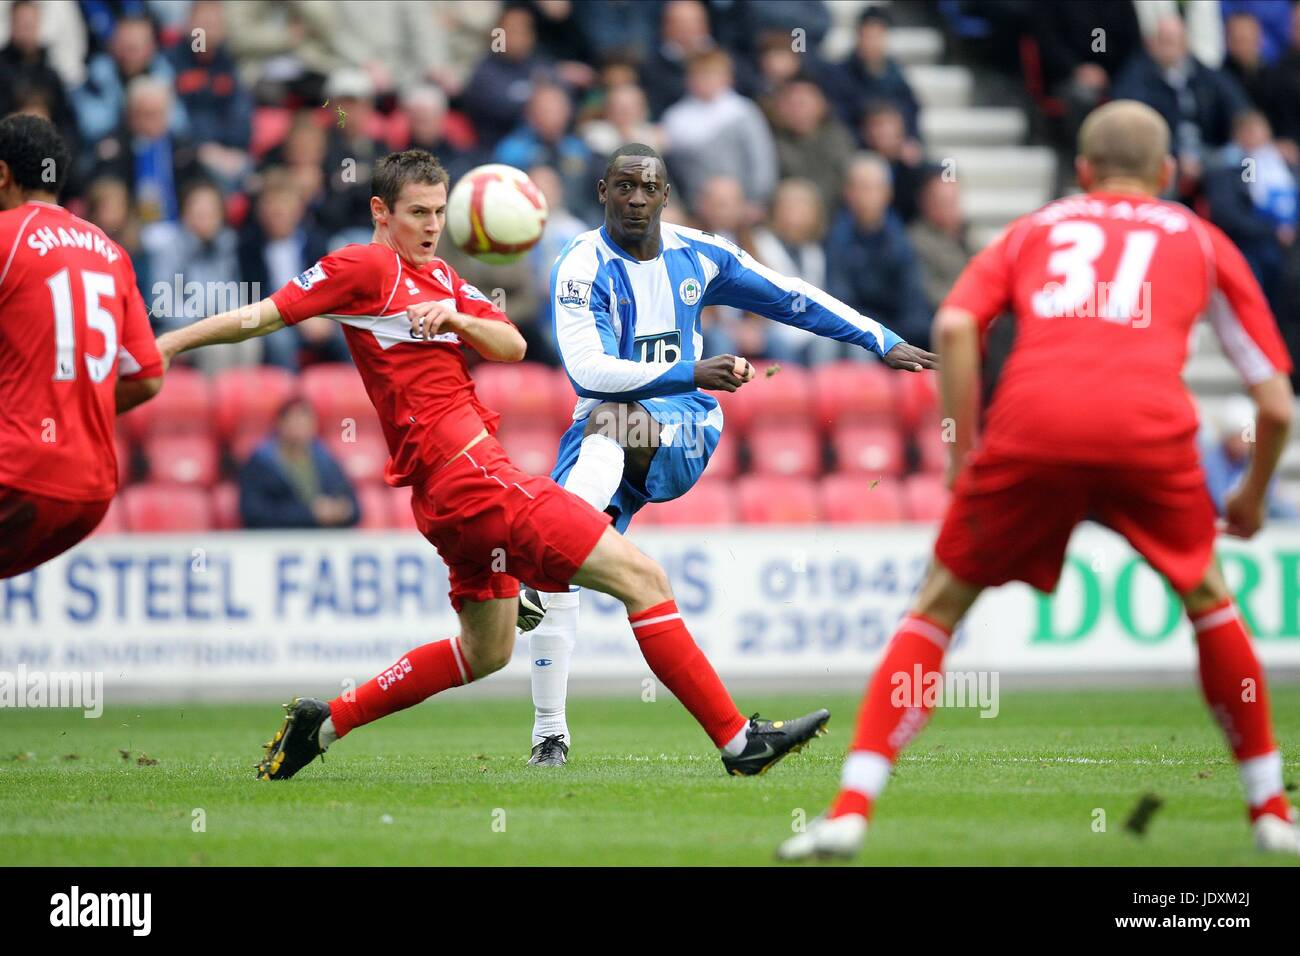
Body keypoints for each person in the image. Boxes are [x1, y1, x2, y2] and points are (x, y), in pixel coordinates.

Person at [154, 149, 832, 781]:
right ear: (381, 215)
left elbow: (509, 343)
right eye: (417, 213)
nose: (431, 225)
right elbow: (264, 316)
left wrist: (454, 318)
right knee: (642, 576)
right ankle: (739, 743)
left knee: (486, 652)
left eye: (440, 211)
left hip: (450, 498)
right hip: (475, 478)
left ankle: (325, 724)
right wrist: (170, 344)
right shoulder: (364, 268)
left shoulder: (443, 278)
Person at [777, 100, 1300, 860]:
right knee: (1210, 601)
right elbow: (1276, 404)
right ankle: (1272, 814)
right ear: (1168, 174)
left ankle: (852, 809)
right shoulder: (1201, 237)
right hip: (1147, 433)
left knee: (938, 605)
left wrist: (963, 454)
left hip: (1033, 429)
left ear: (1082, 172)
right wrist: (1249, 495)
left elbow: (955, 327)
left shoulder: (1037, 228)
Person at [518, 143, 937, 767]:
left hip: (684, 429)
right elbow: (585, 370)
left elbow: (790, 295)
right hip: (604, 435)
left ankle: (551, 551)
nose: (636, 199)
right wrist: (693, 366)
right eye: (624, 186)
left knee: (561, 523)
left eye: (648, 188)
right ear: (602, 190)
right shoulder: (580, 265)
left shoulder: (700, 254)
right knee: (563, 564)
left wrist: (879, 339)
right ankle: (549, 734)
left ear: (665, 196)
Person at [0, 114, 163, 578]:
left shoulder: (6, 235)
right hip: (89, 493)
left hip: (17, 471)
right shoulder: (110, 252)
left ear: (2, 174)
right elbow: (148, 379)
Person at [238, 398, 360, 530]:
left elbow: (354, 508)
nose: (302, 427)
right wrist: (309, 514)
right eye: (296, 421)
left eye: (306, 421)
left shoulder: (326, 460)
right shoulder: (260, 463)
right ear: (280, 424)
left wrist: (340, 511)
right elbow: (254, 515)